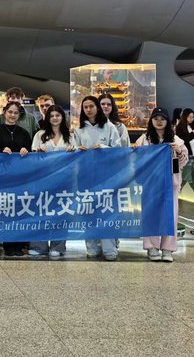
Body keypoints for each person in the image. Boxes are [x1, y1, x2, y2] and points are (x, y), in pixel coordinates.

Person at [136, 108, 188, 262]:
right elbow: (136, 161)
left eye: (162, 119)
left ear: (167, 121)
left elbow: (183, 162)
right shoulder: (143, 140)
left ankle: (167, 249)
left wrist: (179, 152)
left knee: (170, 215)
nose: (159, 122)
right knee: (150, 215)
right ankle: (151, 247)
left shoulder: (177, 141)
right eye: (156, 118)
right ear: (151, 121)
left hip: (170, 184)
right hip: (150, 183)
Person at [74, 95, 121, 261]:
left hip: (107, 176)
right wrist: (77, 150)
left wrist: (104, 147)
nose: (88, 110)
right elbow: (72, 150)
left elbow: (118, 150)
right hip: (85, 176)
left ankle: (109, 248)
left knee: (107, 210)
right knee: (89, 211)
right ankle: (92, 247)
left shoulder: (110, 127)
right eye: (85, 107)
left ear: (97, 108)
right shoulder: (79, 129)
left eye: (91, 106)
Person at [29, 105, 75, 259]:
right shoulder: (40, 135)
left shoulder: (70, 136)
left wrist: (73, 152)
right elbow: (32, 157)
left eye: (58, 115)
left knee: (61, 212)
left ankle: (58, 246)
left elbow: (77, 156)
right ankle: (38, 246)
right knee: (41, 212)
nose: (55, 118)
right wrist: (39, 153)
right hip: (43, 179)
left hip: (64, 180)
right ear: (47, 118)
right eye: (52, 116)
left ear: (63, 117)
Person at [0, 101, 32, 257]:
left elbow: (31, 152)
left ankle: (19, 245)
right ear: (4, 112)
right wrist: (0, 151)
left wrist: (26, 150)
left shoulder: (24, 133)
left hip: (20, 178)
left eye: (16, 113)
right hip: (2, 178)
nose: (12, 115)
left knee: (20, 211)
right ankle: (7, 245)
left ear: (19, 115)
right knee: (6, 211)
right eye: (10, 112)